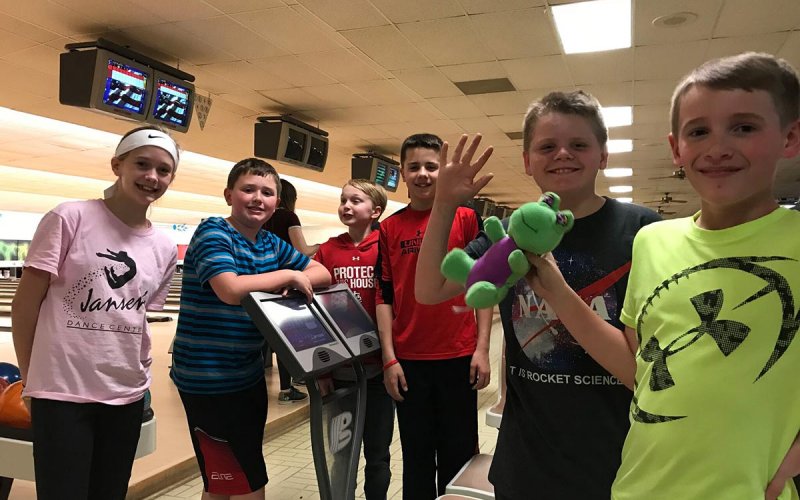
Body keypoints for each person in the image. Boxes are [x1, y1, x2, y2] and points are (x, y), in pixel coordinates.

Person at [522, 53, 800, 499]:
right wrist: (552, 284)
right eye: (699, 131)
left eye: (744, 127)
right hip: (639, 485)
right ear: (676, 148)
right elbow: (638, 369)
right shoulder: (653, 241)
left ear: (790, 137)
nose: (718, 146)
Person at [416, 90, 662, 500]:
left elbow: (646, 373)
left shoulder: (641, 230)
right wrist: (443, 204)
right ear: (528, 161)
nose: (562, 154)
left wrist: (559, 291)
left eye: (579, 144)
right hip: (525, 464)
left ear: (602, 155)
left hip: (618, 463)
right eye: (547, 146)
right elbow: (429, 290)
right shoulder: (513, 233)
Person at [11, 125, 180, 500]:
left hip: (126, 393)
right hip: (62, 392)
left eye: (163, 170)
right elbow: (24, 306)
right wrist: (30, 378)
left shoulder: (165, 246)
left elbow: (137, 318)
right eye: (142, 164)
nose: (152, 177)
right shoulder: (69, 217)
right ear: (117, 165)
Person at [170, 158, 331, 500]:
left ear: (276, 203)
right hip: (207, 379)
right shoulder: (213, 231)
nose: (258, 197)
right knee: (246, 483)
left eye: (267, 192)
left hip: (246, 375)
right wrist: (288, 277)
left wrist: (291, 280)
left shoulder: (270, 244)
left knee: (222, 479)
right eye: (248, 189)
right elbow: (229, 289)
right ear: (229, 194)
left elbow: (321, 272)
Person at [376, 133, 493, 500]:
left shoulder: (466, 218)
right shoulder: (389, 228)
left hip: (458, 355)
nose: (423, 174)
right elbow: (384, 296)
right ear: (402, 173)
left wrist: (483, 348)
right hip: (410, 360)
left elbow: (484, 286)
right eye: (414, 167)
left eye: (431, 166)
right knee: (417, 457)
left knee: (459, 456)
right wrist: (389, 358)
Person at [314, 179, 394, 500]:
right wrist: (322, 370)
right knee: (341, 453)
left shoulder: (384, 248)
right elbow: (314, 312)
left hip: (378, 374)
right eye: (343, 199)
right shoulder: (328, 250)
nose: (346, 206)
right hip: (340, 373)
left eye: (355, 201)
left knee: (378, 454)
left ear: (375, 211)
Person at [263, 178, 317, 403]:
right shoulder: (288, 216)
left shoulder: (262, 218)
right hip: (286, 284)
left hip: (263, 280)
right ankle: (288, 388)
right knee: (286, 336)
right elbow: (302, 249)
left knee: (267, 337)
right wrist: (323, 246)